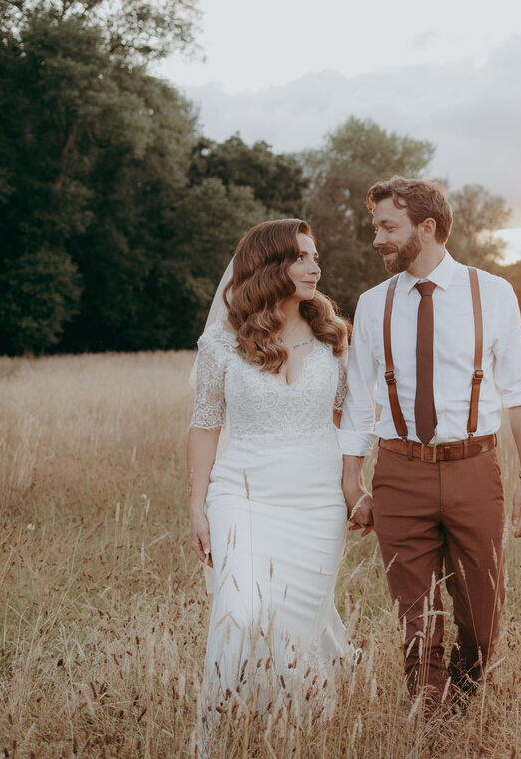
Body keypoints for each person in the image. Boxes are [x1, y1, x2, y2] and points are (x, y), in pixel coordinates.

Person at [340, 176, 521, 712]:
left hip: (474, 470)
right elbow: (360, 399)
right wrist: (351, 478)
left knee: (481, 615)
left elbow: (520, 390)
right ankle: (431, 725)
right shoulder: (371, 305)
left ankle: (464, 701)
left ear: (427, 228)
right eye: (376, 227)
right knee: (418, 620)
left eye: (388, 227)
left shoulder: (493, 293)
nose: (378, 239)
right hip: (399, 474)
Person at [186, 219, 358, 748]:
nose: (315, 266)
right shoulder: (222, 343)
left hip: (317, 502)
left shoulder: (334, 337)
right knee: (239, 612)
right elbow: (205, 423)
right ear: (269, 266)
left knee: (294, 621)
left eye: (315, 256)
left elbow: (348, 422)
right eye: (301, 257)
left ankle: (290, 733)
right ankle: (218, 735)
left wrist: (357, 489)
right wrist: (196, 504)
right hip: (241, 492)